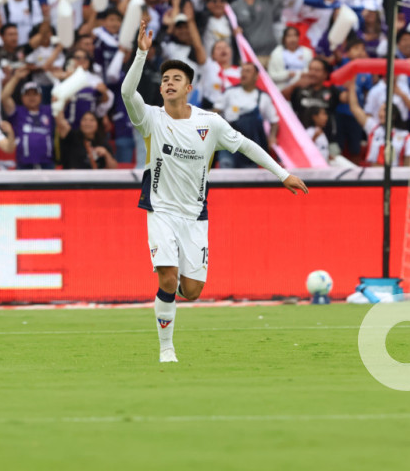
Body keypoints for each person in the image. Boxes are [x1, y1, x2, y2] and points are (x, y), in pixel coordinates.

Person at [121, 20, 308, 364]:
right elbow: (126, 93)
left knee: (191, 291)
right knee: (167, 276)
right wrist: (141, 54)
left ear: (189, 87)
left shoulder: (210, 123)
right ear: (160, 90)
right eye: (165, 80)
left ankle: (173, 294)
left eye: (176, 78)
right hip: (160, 211)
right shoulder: (150, 118)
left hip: (195, 217)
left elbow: (248, 145)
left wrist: (283, 174)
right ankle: (166, 348)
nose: (169, 83)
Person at [216, 62, 279, 168]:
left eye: (248, 71)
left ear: (256, 76)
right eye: (242, 71)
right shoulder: (229, 92)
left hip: (251, 146)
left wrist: (272, 137)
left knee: (249, 175)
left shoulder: (263, 98)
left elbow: (274, 122)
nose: (244, 74)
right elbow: (215, 112)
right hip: (229, 142)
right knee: (226, 165)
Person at [1, 77, 56, 170]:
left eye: (35, 94)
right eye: (27, 94)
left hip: (47, 163)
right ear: (22, 97)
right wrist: (16, 77)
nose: (31, 97)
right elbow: (4, 97)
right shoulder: (17, 112)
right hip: (24, 163)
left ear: (41, 96)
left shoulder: (49, 111)